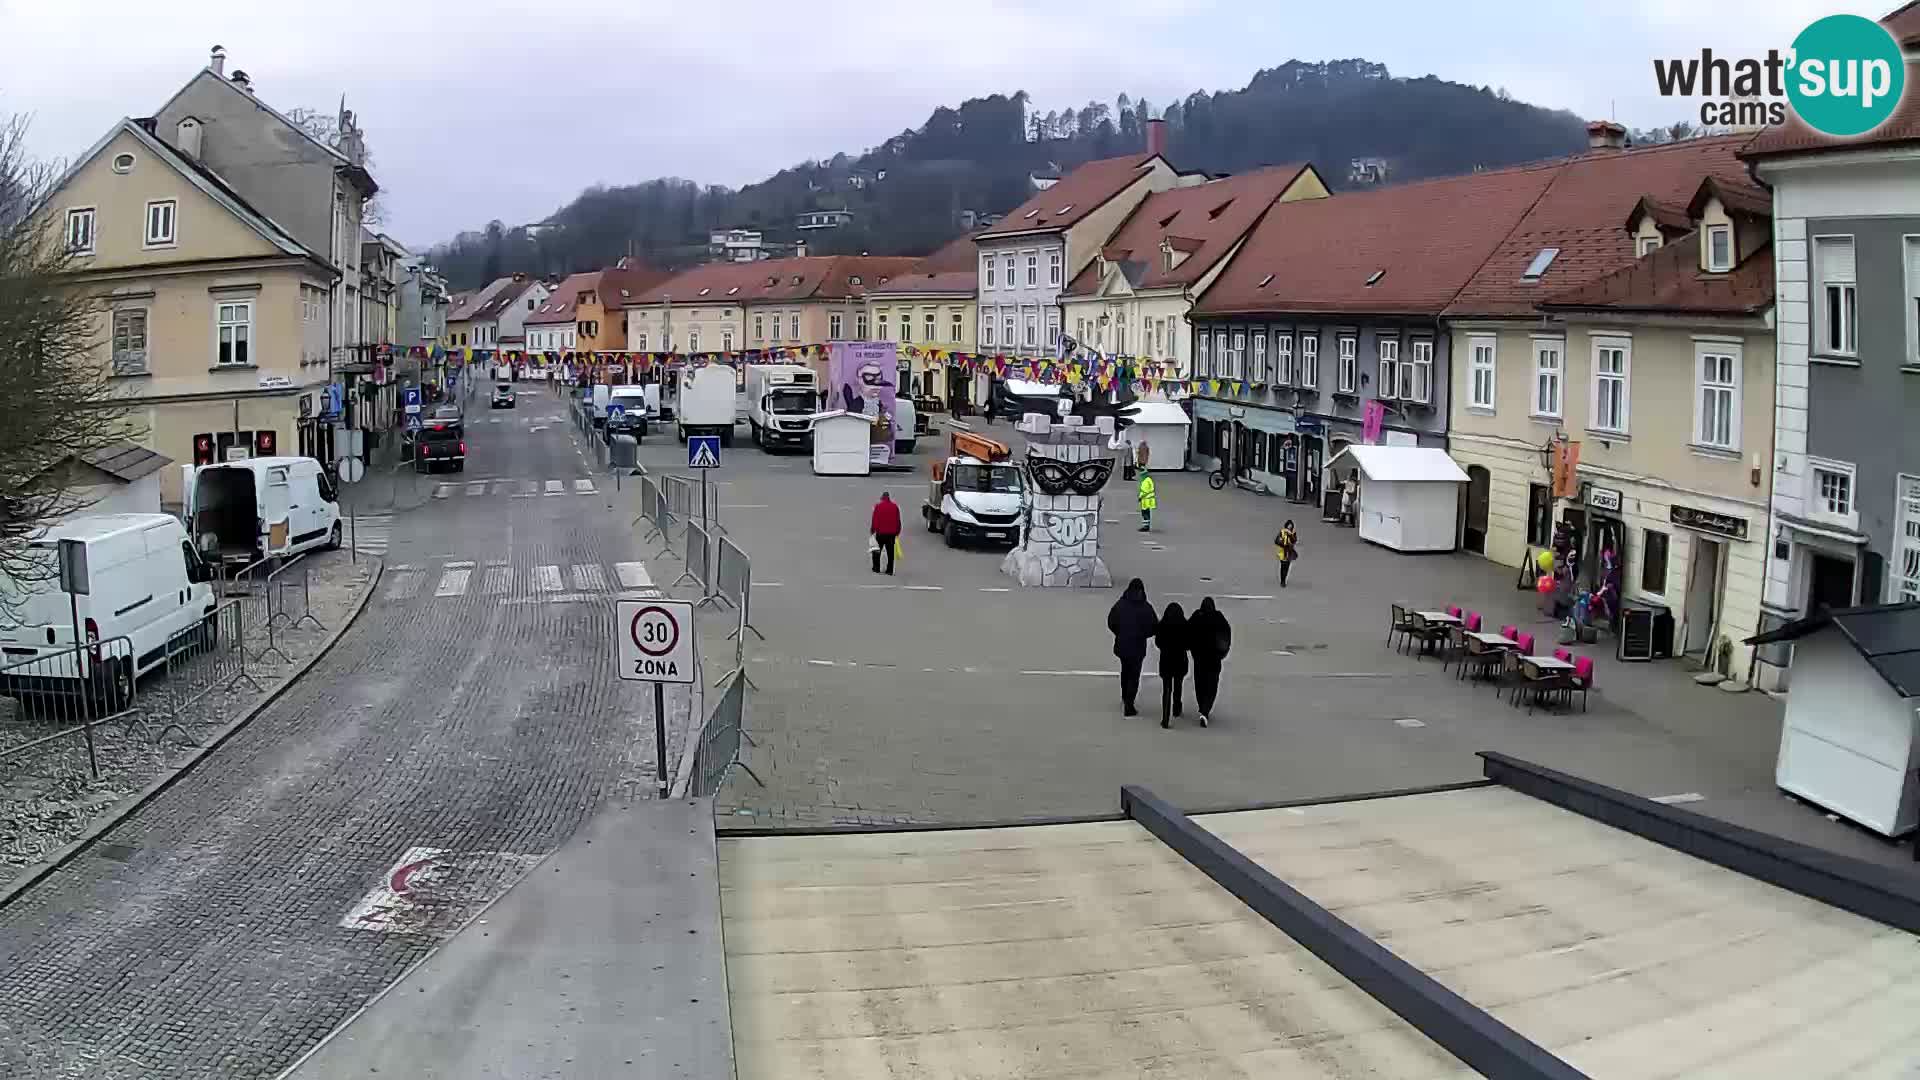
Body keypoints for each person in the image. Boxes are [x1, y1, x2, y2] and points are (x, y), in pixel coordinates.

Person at [1106, 579, 1158, 717]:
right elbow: (1154, 626)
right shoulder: (1146, 607)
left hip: (1123, 646)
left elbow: (1111, 621)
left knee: (1125, 671)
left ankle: (1125, 697)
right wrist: (1143, 634)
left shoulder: (1120, 604)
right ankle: (1130, 703)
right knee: (1134, 676)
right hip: (1138, 648)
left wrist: (1119, 632)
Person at [1186, 597, 1231, 727]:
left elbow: (1188, 633)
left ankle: (1202, 707)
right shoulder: (1218, 618)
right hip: (1214, 659)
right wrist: (1223, 653)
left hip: (1199, 658)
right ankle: (1205, 710)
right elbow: (1226, 636)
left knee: (1200, 684)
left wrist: (1190, 647)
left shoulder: (1197, 616)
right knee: (1212, 685)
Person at [1155, 602, 1189, 729]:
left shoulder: (1162, 625)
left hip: (1166, 660)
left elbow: (1158, 642)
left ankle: (1165, 717)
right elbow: (1188, 644)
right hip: (1180, 660)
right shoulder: (1184, 625)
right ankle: (1176, 707)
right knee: (1178, 685)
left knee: (1166, 689)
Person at [869, 492, 901, 575]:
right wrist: (897, 531)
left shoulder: (878, 506)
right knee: (890, 553)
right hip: (891, 535)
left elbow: (875, 519)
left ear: (882, 498)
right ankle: (889, 570)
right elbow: (898, 520)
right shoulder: (895, 507)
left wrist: (872, 530)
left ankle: (876, 568)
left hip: (880, 533)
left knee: (876, 551)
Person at [1274, 519, 1299, 587]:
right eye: (1288, 526)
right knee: (1283, 566)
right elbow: (1276, 541)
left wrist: (1290, 535)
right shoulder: (1282, 532)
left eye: (1291, 526)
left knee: (1287, 566)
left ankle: (1284, 579)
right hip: (1283, 551)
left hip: (1289, 551)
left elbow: (1294, 541)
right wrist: (1283, 543)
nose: (1289, 528)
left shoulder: (1293, 533)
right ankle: (1282, 581)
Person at [1137, 467, 1157, 532]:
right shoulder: (1149, 480)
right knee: (1147, 513)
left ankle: (1146, 527)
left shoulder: (1145, 481)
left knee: (1145, 514)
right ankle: (1146, 526)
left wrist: (1140, 497)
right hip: (1149, 500)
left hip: (1146, 500)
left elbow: (1144, 491)